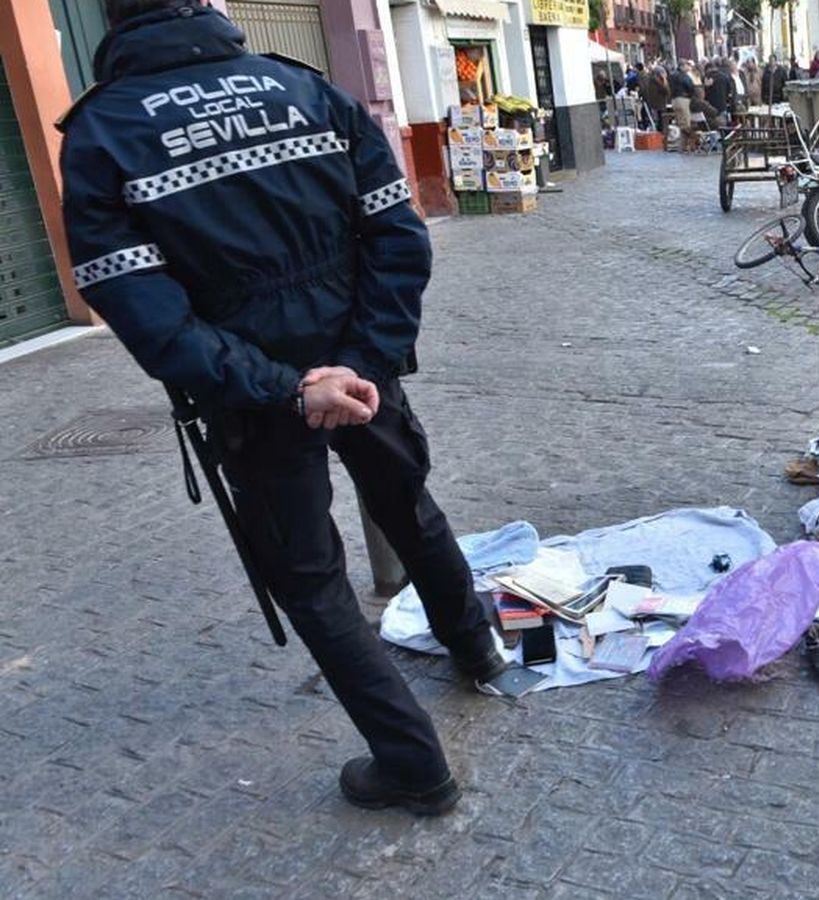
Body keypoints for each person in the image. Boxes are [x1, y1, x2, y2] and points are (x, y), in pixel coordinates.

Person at [60, 0, 517, 816]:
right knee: (406, 503)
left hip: (253, 393)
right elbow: (398, 236)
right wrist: (363, 362)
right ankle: (476, 650)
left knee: (310, 577)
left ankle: (414, 765)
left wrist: (288, 387)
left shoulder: (102, 132)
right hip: (356, 365)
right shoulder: (305, 88)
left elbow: (145, 311)